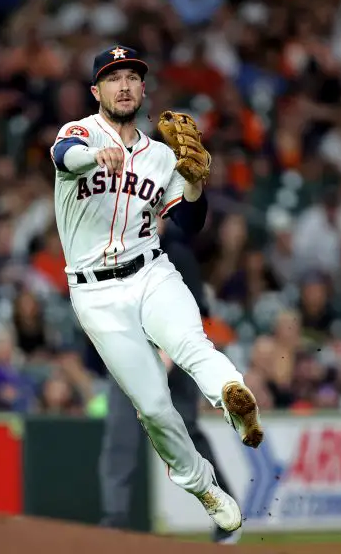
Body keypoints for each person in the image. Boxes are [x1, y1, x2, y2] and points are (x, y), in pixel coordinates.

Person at [49, 45, 263, 533]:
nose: (123, 85)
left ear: (143, 89)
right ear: (96, 91)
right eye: (113, 77)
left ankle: (234, 396)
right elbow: (65, 155)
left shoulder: (162, 155)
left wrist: (193, 186)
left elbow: (187, 224)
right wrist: (92, 156)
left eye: (131, 77)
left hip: (150, 271)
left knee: (192, 344)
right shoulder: (78, 133)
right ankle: (205, 487)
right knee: (154, 407)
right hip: (96, 294)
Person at [99, 218, 239, 543]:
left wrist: (165, 359)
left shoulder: (178, 254)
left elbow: (198, 316)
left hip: (173, 362)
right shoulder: (115, 253)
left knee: (187, 435)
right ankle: (114, 519)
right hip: (131, 360)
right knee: (120, 437)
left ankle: (225, 516)